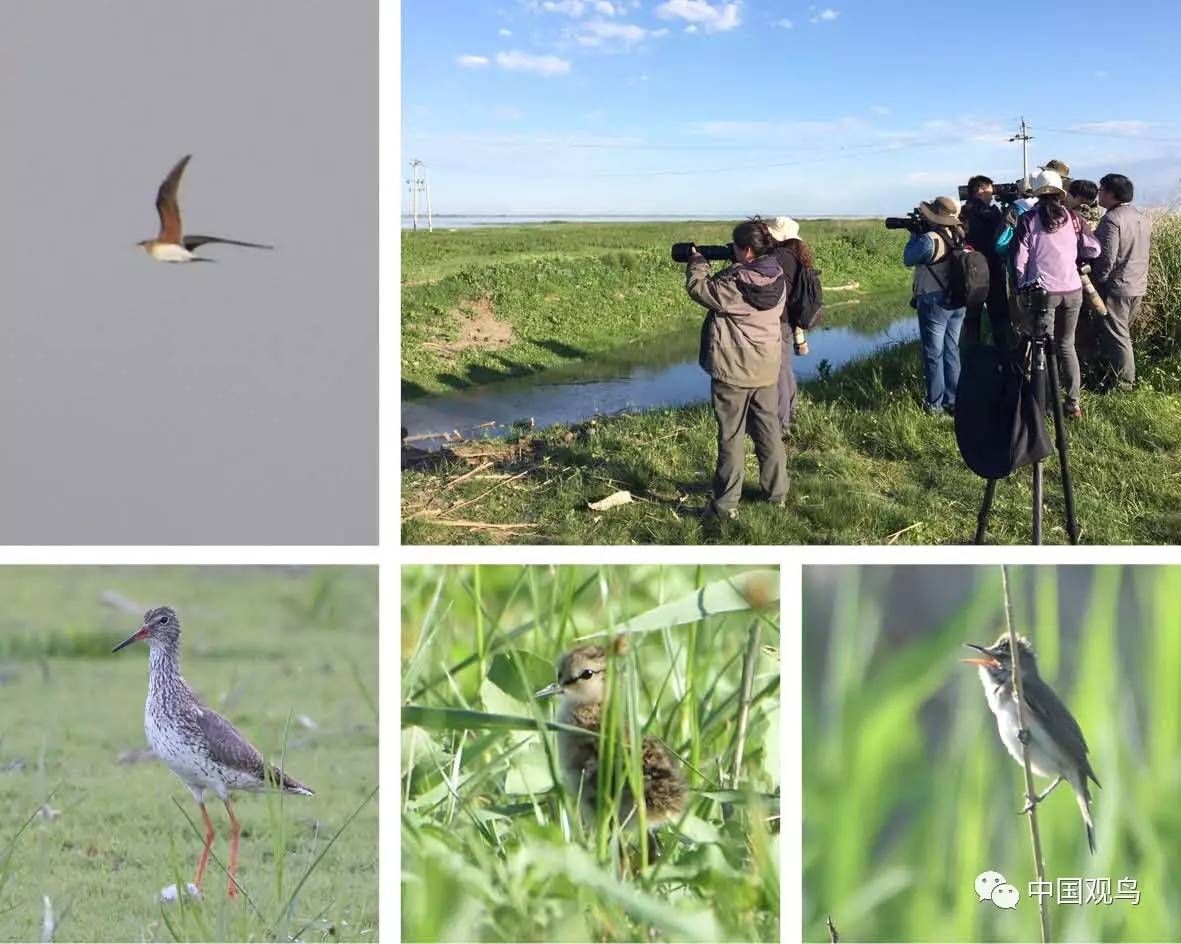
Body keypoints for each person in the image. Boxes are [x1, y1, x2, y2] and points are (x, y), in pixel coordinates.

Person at [685, 219, 789, 518]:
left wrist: (697, 262)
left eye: (735, 246)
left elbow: (700, 290)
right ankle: (777, 494)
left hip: (733, 369)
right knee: (769, 431)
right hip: (767, 367)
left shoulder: (735, 282)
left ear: (746, 251)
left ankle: (726, 504)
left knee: (731, 437)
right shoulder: (778, 274)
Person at [1012, 169, 1101, 420]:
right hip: (1073, 291)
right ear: (1061, 192)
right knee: (1066, 346)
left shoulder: (1028, 219)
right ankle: (1073, 404)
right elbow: (1094, 249)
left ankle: (1048, 402)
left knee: (1043, 347)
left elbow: (1020, 260)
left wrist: (1020, 288)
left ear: (1037, 192)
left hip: (1043, 294)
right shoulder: (1073, 219)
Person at [903, 196, 968, 415]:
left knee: (933, 354)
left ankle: (935, 405)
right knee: (952, 351)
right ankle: (954, 400)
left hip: (934, 300)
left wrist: (914, 235)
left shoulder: (929, 239)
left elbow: (908, 258)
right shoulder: (958, 234)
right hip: (957, 300)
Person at [1091, 173, 1151, 389]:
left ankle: (1124, 384)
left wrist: (1097, 281)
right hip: (1138, 284)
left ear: (1111, 194)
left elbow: (1107, 258)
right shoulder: (1141, 217)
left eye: (1101, 190)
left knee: (1118, 336)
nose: (1099, 194)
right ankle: (1116, 374)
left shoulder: (1112, 219)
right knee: (1122, 333)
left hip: (1118, 286)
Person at [765, 215, 815, 430]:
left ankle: (782, 423)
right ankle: (791, 411)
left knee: (778, 373)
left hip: (779, 319)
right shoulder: (796, 254)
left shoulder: (779, 257)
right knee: (785, 369)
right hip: (789, 319)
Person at [959, 175, 1011, 348]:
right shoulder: (994, 214)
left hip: (971, 270)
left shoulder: (963, 213)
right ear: (981, 190)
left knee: (972, 317)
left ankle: (972, 358)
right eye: (990, 189)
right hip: (994, 269)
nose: (992, 193)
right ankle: (1003, 357)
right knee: (999, 316)